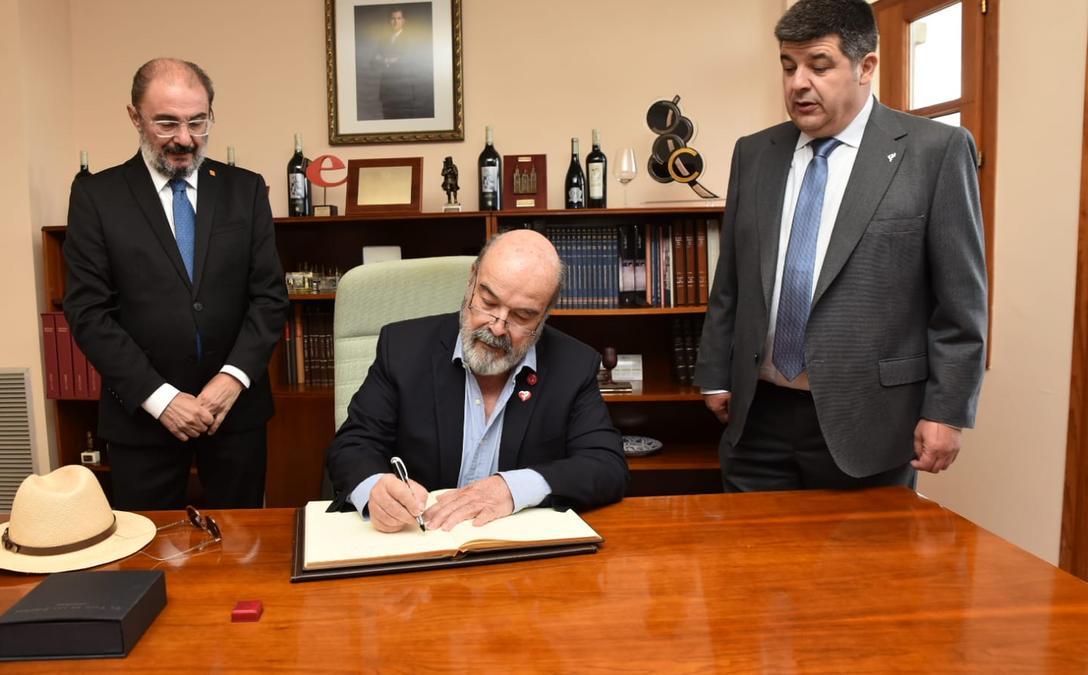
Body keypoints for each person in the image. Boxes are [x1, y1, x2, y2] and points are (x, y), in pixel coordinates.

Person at [694, 0, 987, 492]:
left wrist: (947, 411)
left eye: (819, 65)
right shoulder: (754, 153)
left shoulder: (936, 152)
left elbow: (961, 304)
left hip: (870, 422)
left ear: (865, 66)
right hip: (756, 416)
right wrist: (715, 374)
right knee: (751, 565)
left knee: (862, 569)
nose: (797, 83)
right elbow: (732, 282)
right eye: (788, 66)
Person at [63, 58, 289, 510]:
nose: (184, 139)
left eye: (197, 122)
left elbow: (269, 296)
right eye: (166, 123)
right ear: (134, 117)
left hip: (234, 413)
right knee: (149, 556)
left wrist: (232, 377)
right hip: (142, 419)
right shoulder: (97, 197)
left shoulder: (244, 191)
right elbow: (88, 312)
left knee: (244, 553)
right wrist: (160, 398)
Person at [327, 230, 628, 532]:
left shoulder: (573, 365)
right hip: (418, 545)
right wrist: (375, 488)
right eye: (488, 302)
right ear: (471, 281)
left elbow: (606, 465)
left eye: (522, 316)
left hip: (517, 557)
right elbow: (353, 445)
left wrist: (513, 488)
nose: (497, 327)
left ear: (544, 317)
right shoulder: (403, 348)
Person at [371, 6, 433, 120]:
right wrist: (388, 60)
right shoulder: (384, 40)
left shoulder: (410, 39)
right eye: (393, 18)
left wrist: (384, 60)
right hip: (386, 91)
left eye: (398, 18)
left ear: (403, 21)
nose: (395, 22)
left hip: (403, 92)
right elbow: (373, 63)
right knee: (389, 126)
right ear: (389, 21)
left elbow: (407, 60)